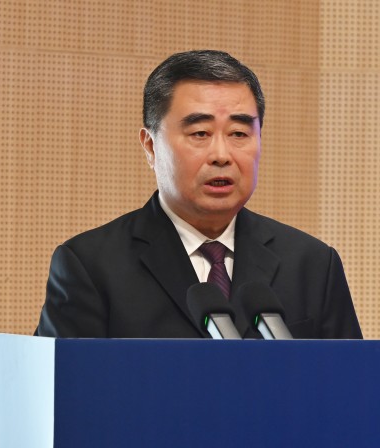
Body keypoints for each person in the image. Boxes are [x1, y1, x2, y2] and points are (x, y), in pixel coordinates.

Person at [34, 50, 362, 339]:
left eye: (239, 133)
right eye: (200, 133)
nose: (221, 155)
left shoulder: (312, 265)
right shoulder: (91, 266)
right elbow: (63, 386)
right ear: (150, 146)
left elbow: (350, 383)